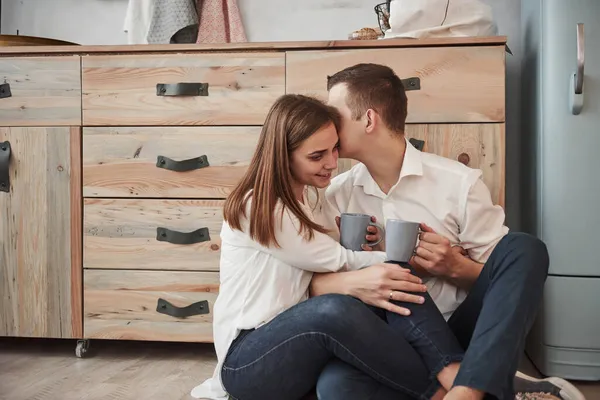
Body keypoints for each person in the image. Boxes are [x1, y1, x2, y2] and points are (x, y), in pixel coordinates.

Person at [309, 63, 583, 400]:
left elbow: (504, 285)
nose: (325, 126)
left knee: (524, 249)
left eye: (334, 116)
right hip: (386, 342)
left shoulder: (459, 183)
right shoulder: (336, 194)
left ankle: (467, 390)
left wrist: (454, 266)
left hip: (462, 332)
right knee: (336, 387)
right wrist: (358, 270)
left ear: (368, 119)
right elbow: (315, 284)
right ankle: (490, 382)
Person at [190, 93, 472, 400]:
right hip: (248, 362)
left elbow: (339, 258)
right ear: (283, 155)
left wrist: (369, 249)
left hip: (300, 348)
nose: (332, 163)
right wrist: (411, 261)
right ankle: (445, 391)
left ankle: (455, 372)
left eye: (335, 149)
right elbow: (337, 260)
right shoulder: (259, 204)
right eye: (317, 156)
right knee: (340, 305)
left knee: (385, 284)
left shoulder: (312, 201)